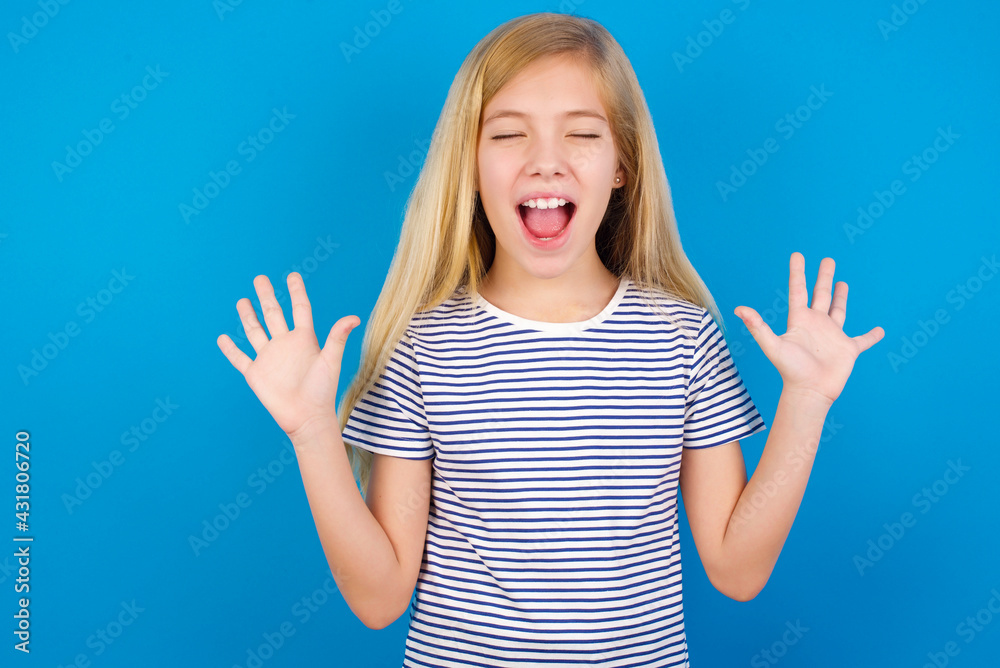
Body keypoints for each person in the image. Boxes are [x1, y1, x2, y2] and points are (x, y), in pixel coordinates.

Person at [216, 12, 884, 668]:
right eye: (508, 134)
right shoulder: (424, 349)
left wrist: (806, 402)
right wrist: (311, 434)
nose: (546, 163)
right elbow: (380, 598)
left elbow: (737, 571)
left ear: (621, 163)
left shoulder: (681, 339)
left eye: (582, 134)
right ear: (470, 165)